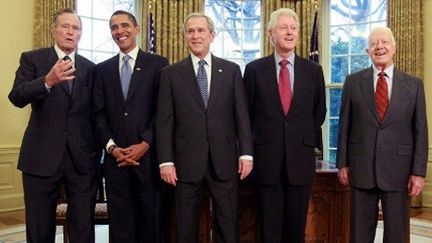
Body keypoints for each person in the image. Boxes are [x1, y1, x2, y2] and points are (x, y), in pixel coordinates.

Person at [156, 13, 253, 243]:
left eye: (200, 31)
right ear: (184, 36)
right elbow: (164, 121)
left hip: (225, 160)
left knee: (227, 223)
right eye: (190, 31)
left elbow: (241, 116)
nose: (195, 35)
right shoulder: (170, 74)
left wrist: (246, 153)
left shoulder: (230, 70)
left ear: (212, 35)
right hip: (185, 163)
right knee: (185, 226)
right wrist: (165, 161)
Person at [8, 8, 98, 243]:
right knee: (39, 230)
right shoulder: (32, 59)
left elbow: (96, 113)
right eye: (65, 26)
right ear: (53, 30)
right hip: (41, 157)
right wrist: (47, 81)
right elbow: (16, 96)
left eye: (75, 28)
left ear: (80, 34)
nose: (70, 32)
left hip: (81, 160)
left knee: (83, 229)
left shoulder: (91, 68)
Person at [337, 26, 428, 243]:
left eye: (384, 42)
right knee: (359, 234)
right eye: (374, 44)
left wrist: (418, 172)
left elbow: (420, 131)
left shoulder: (414, 86)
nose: (379, 47)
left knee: (396, 235)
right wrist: (342, 163)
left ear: (394, 48)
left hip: (400, 171)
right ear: (367, 51)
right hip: (361, 169)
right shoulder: (353, 82)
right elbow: (344, 125)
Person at [243, 8, 326, 243]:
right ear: (271, 33)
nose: (290, 32)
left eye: (293, 28)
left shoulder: (313, 71)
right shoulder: (254, 70)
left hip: (300, 161)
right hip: (266, 161)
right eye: (283, 28)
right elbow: (245, 114)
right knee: (269, 230)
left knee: (295, 230)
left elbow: (319, 112)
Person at [92, 10, 168, 243]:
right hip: (116, 162)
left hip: (148, 161)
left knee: (150, 225)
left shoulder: (158, 64)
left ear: (137, 29)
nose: (119, 31)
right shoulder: (101, 70)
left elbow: (163, 111)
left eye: (124, 25)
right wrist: (113, 148)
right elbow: (98, 114)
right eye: (114, 27)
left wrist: (145, 143)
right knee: (121, 228)